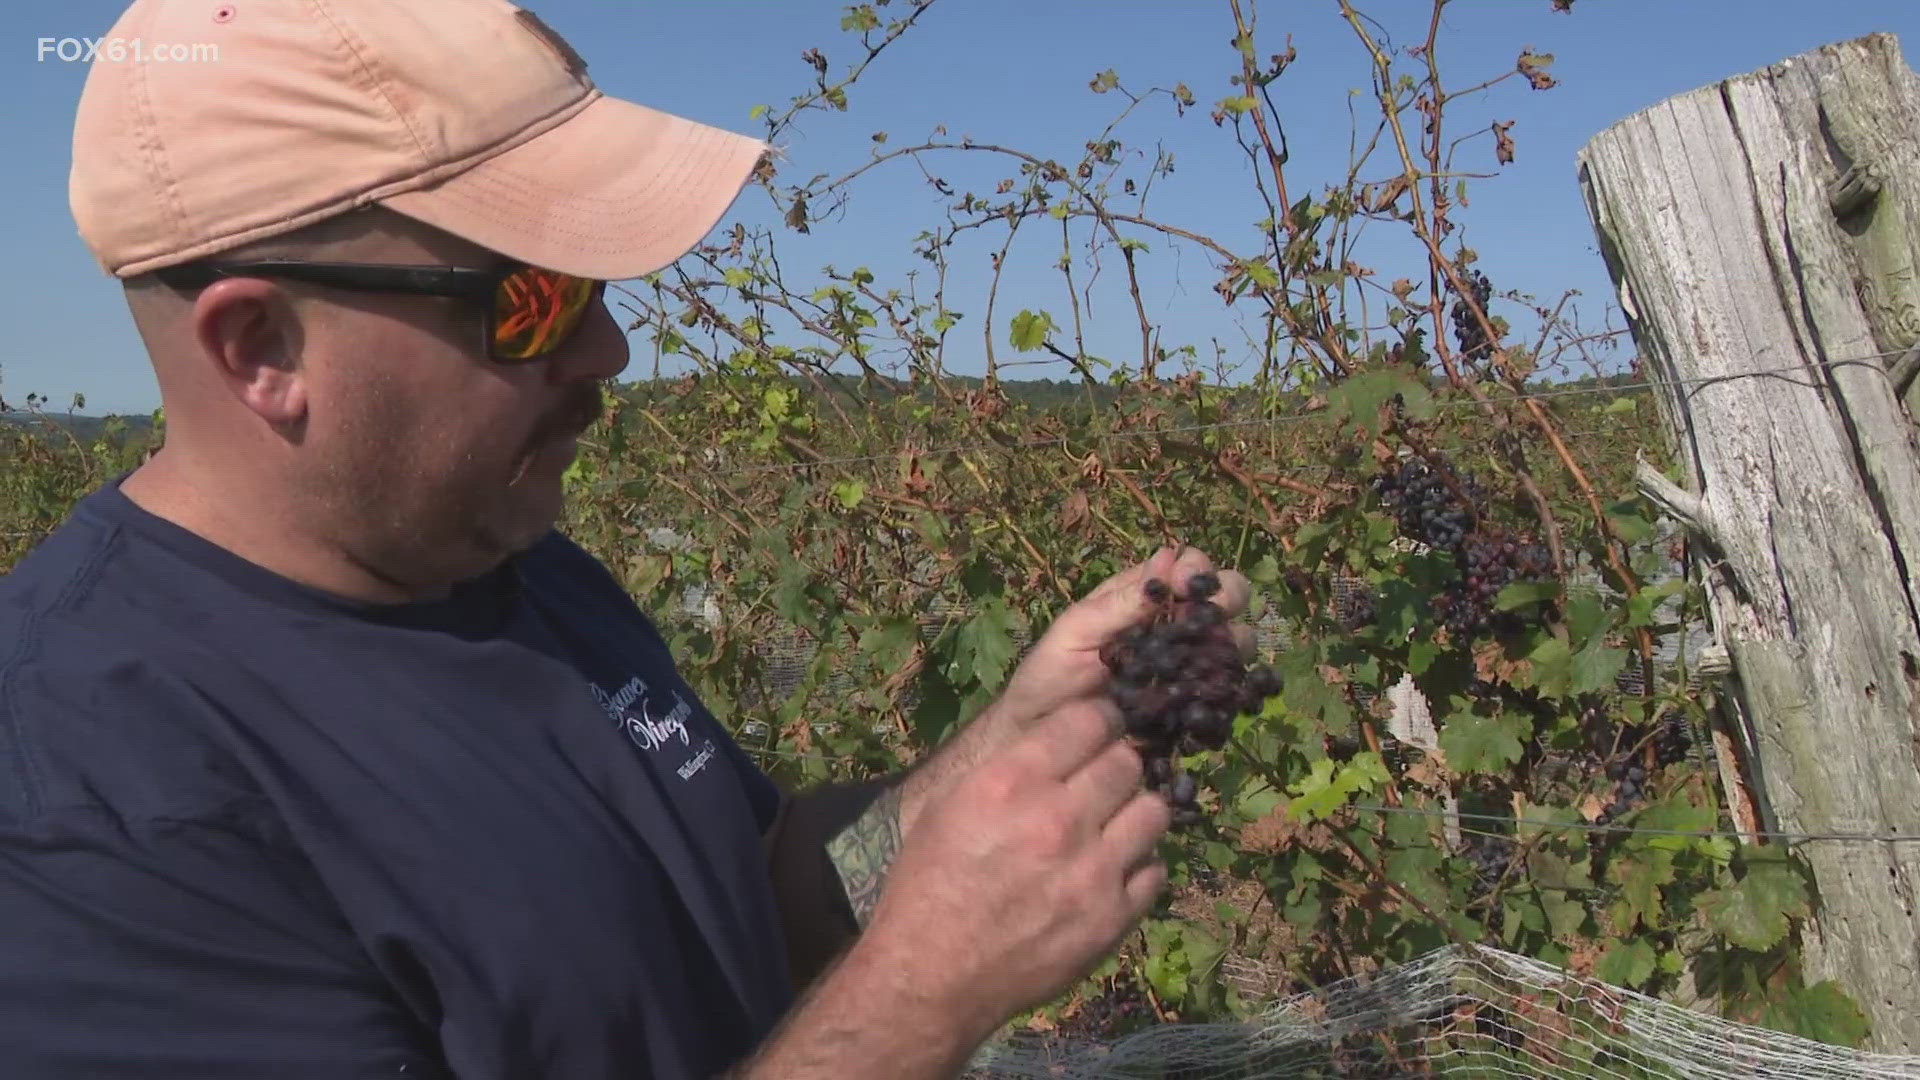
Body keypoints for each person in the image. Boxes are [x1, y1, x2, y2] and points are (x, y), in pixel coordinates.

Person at [0, 2, 1254, 1077]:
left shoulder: (507, 560)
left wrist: (995, 759)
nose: (609, 353)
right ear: (261, 349)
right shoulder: (92, 809)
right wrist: (917, 1003)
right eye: (534, 300)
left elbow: (748, 889)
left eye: (596, 288)